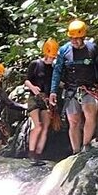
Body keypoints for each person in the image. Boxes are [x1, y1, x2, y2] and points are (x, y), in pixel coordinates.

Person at [48, 20, 98, 154]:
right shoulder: (64, 50)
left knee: (89, 114)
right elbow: (57, 71)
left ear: (83, 37)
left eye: (76, 39)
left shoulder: (92, 49)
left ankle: (86, 146)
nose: (73, 41)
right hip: (71, 90)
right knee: (73, 121)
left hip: (90, 88)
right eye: (71, 38)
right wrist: (53, 91)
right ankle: (76, 151)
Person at [24, 38, 59, 166]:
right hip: (34, 97)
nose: (51, 59)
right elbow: (27, 80)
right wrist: (33, 88)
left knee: (45, 127)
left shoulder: (55, 68)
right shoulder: (35, 64)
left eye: (53, 56)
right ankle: (31, 153)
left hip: (47, 99)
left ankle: (38, 154)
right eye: (50, 56)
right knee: (37, 125)